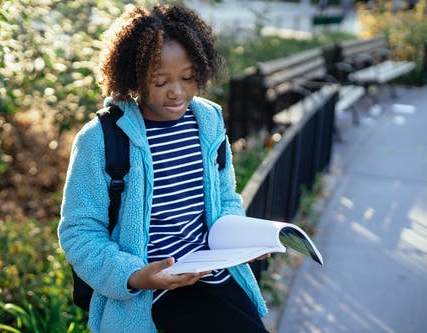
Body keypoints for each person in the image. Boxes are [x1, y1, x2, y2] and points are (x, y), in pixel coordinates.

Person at [58, 3, 269, 333]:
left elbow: (226, 199)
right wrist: (136, 275)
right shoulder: (101, 139)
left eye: (189, 77)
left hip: (215, 279)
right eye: (160, 81)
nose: (178, 91)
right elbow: (80, 232)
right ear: (134, 76)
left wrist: (242, 241)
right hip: (150, 297)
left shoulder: (208, 122)